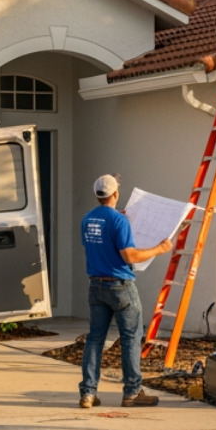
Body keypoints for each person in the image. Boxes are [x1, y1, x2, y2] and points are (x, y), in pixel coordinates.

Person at [78, 174, 177, 408]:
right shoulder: (119, 221)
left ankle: (87, 394)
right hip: (120, 285)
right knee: (131, 338)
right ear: (115, 194)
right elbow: (130, 256)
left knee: (95, 339)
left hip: (96, 285)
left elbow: (97, 244)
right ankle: (132, 392)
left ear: (97, 195)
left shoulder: (87, 219)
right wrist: (160, 249)